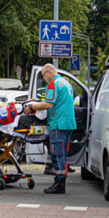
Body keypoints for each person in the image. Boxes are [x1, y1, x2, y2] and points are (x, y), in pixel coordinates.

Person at [25, 64, 76, 194]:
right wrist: (37, 100)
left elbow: (48, 104)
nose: (43, 78)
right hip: (68, 123)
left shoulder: (53, 84)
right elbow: (57, 101)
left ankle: (59, 183)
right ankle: (60, 181)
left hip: (58, 124)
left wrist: (32, 107)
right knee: (62, 154)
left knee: (57, 154)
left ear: (49, 72)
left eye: (43, 75)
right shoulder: (65, 82)